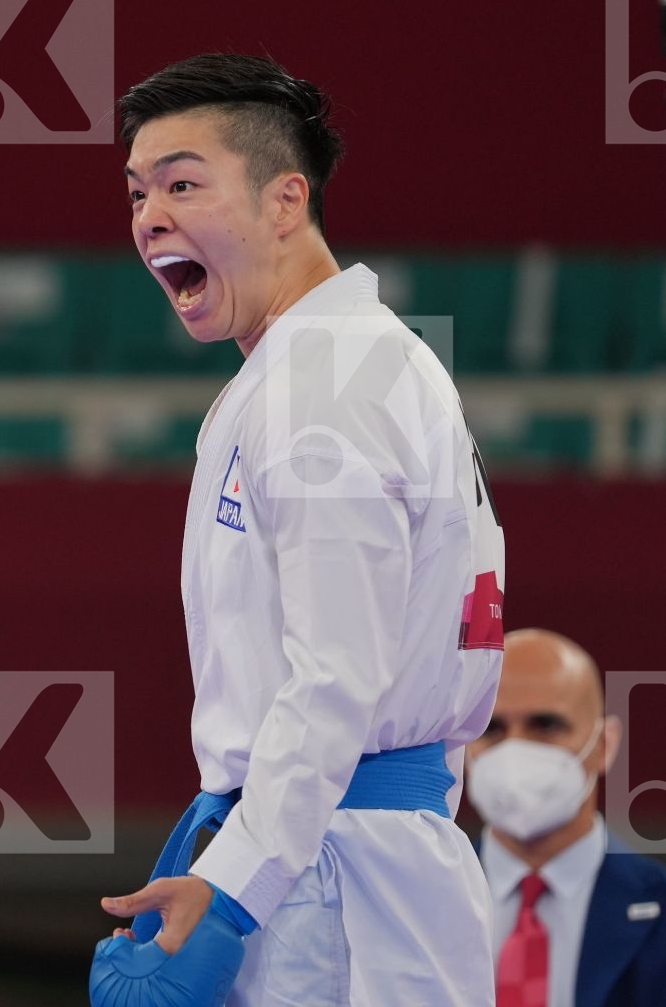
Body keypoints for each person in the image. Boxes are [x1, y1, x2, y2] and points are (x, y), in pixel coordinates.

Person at [91, 53, 507, 1006]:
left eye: (183, 183)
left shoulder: (322, 385)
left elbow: (335, 673)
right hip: (351, 854)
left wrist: (233, 891)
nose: (149, 215)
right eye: (137, 192)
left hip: (332, 878)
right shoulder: (330, 363)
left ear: (287, 201)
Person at [466, 628, 666, 1006]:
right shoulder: (413, 904)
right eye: (491, 729)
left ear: (604, 743)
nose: (515, 747)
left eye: (545, 725)